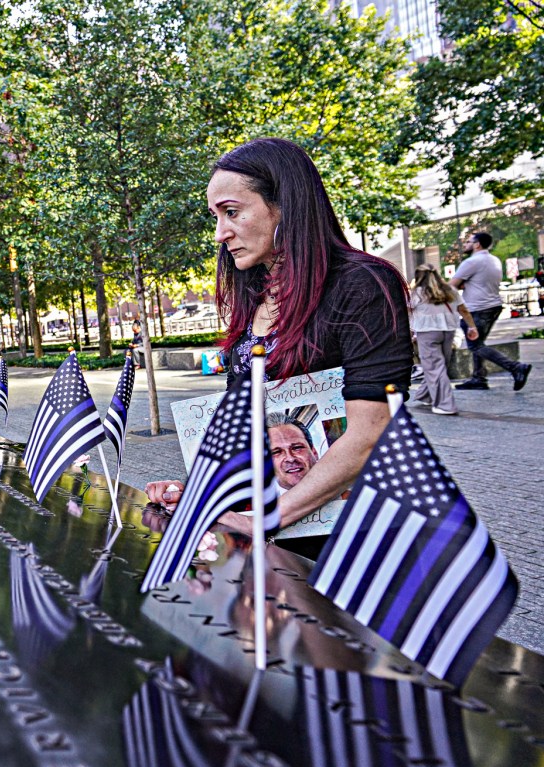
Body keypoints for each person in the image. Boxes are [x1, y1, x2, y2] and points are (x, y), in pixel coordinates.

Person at [144, 137, 412, 541]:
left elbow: (370, 432)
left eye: (232, 212)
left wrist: (266, 519)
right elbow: (240, 428)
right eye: (214, 216)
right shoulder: (253, 292)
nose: (220, 233)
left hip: (354, 534)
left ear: (285, 205)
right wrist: (200, 494)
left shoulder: (363, 285)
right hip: (281, 536)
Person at [451, 232, 531, 391]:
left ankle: (515, 367)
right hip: (493, 306)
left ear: (477, 244)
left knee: (475, 345)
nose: (465, 244)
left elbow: (451, 285)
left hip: (477, 308)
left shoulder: (472, 262)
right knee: (478, 342)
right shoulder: (494, 260)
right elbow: (477, 282)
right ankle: (478, 378)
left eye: (468, 241)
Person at [409, 264, 479, 415]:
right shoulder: (450, 290)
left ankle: (445, 405)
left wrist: (410, 330)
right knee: (440, 366)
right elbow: (463, 310)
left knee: (434, 367)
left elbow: (408, 313)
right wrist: (472, 327)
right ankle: (426, 395)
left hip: (427, 333)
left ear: (418, 276)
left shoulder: (417, 293)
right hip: (448, 331)